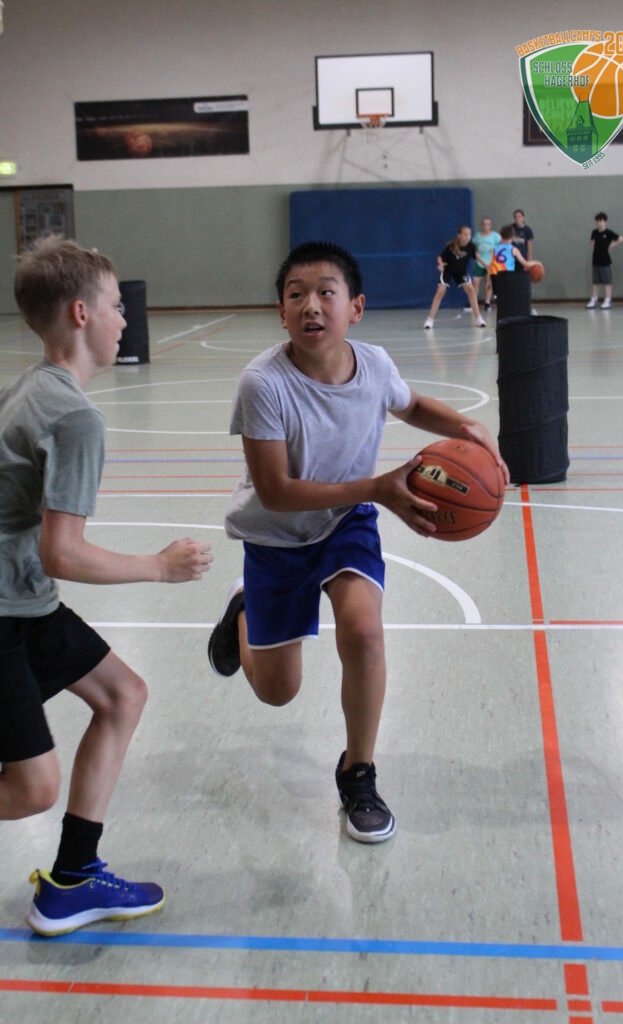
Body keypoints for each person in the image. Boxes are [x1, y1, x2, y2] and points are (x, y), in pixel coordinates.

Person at [207, 241, 508, 844]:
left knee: (364, 632)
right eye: (296, 295)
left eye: (326, 293)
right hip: (277, 537)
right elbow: (276, 492)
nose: (311, 305)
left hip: (346, 521)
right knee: (277, 691)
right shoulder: (263, 384)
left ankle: (358, 773)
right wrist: (377, 486)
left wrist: (465, 424)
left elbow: (410, 404)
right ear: (281, 312)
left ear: (356, 307)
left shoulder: (373, 363)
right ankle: (243, 609)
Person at [1, 236, 213, 936]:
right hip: (7, 608)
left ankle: (72, 880)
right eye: (117, 305)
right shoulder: (73, 415)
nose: (126, 318)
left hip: (25, 602)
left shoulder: (30, 387)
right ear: (81, 313)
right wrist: (159, 566)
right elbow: (63, 551)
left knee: (123, 694)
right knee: (31, 787)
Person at [423, 226, 488, 329]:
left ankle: (478, 318)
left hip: (461, 272)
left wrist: (487, 266)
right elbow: (440, 257)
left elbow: (477, 257)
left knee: (471, 290)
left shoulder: (471, 246)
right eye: (465, 234)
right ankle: (430, 319)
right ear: (459, 235)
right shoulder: (451, 246)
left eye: (469, 234)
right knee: (440, 291)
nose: (467, 236)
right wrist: (440, 264)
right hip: (448, 270)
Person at [586, 213, 623, 309]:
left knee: (607, 282)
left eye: (601, 221)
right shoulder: (594, 232)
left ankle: (608, 300)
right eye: (597, 221)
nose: (599, 223)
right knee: (595, 282)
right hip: (595, 260)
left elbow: (621, 239)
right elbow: (592, 241)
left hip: (605, 260)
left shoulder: (608, 233)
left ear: (605, 222)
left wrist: (611, 245)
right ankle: (594, 299)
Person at [472, 217, 501, 311]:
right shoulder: (477, 236)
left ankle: (487, 303)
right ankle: (473, 303)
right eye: (484, 224)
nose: (486, 226)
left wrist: (493, 262)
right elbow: (474, 250)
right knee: (476, 282)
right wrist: (483, 263)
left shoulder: (496, 236)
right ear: (482, 225)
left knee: (489, 283)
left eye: (488, 224)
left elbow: (500, 249)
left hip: (491, 263)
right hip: (480, 263)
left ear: (490, 225)